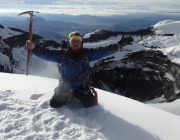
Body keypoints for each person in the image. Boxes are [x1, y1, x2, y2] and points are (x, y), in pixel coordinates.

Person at [26, 31, 133, 108]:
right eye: (73, 41)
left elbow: (102, 50)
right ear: (70, 42)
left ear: (81, 42)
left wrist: (118, 45)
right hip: (66, 85)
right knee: (54, 105)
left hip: (82, 86)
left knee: (90, 104)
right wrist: (35, 47)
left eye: (78, 41)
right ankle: (69, 94)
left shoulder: (86, 54)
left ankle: (73, 94)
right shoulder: (63, 54)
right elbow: (47, 53)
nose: (76, 43)